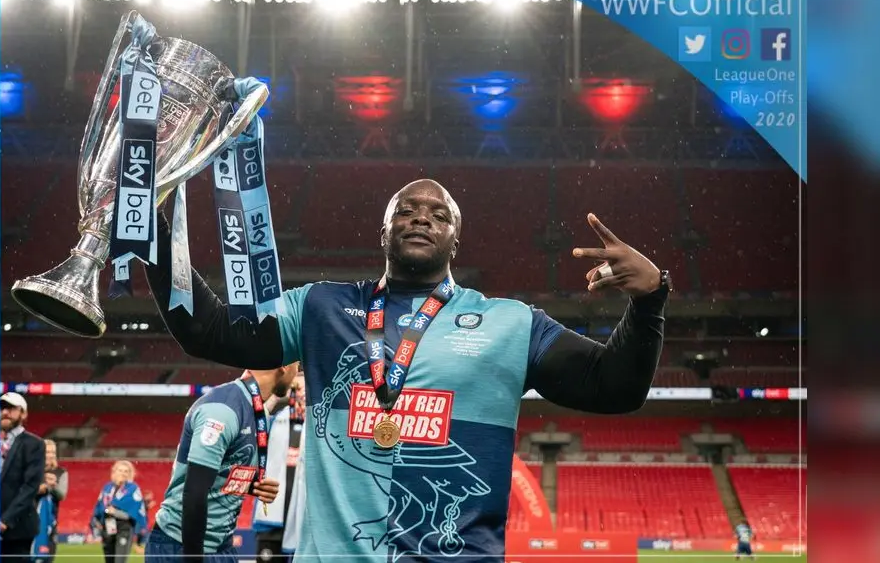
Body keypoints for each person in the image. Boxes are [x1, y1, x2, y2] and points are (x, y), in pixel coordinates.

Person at [144, 179, 670, 561]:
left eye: (439, 215)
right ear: (385, 230)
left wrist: (648, 302)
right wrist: (151, 225)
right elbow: (208, 330)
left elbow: (614, 388)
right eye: (408, 210)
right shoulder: (320, 308)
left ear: (455, 242)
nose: (422, 218)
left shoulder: (510, 323)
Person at [144, 365, 296, 563]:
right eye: (297, 365)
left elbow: (219, 472)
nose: (297, 373)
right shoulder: (222, 410)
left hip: (222, 547)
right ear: (283, 367)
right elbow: (194, 494)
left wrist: (250, 485)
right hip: (181, 547)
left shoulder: (257, 410)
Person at [253, 371, 307, 562]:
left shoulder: (320, 426)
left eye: (307, 388)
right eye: (297, 388)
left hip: (304, 521)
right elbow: (255, 420)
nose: (303, 394)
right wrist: (276, 396)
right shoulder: (276, 419)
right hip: (272, 517)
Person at [0, 392, 46, 562]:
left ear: (23, 414)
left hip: (17, 529)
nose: (5, 412)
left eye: (11, 408)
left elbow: (30, 487)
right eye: (2, 408)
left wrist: (5, 520)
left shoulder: (34, 444)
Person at [90, 461, 148, 563]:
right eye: (120, 470)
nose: (123, 473)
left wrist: (115, 512)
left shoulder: (133, 488)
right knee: (109, 560)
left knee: (119, 561)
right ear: (114, 472)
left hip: (124, 528)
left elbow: (134, 513)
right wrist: (98, 521)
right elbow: (99, 507)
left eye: (126, 471)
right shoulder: (107, 487)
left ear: (130, 474)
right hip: (108, 527)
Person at [32, 440, 68, 563]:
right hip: (28, 520)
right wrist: (40, 486)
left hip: (49, 521)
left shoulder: (61, 472)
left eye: (53, 452)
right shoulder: (30, 469)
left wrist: (52, 487)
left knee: (47, 556)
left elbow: (62, 495)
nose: (50, 455)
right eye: (47, 451)